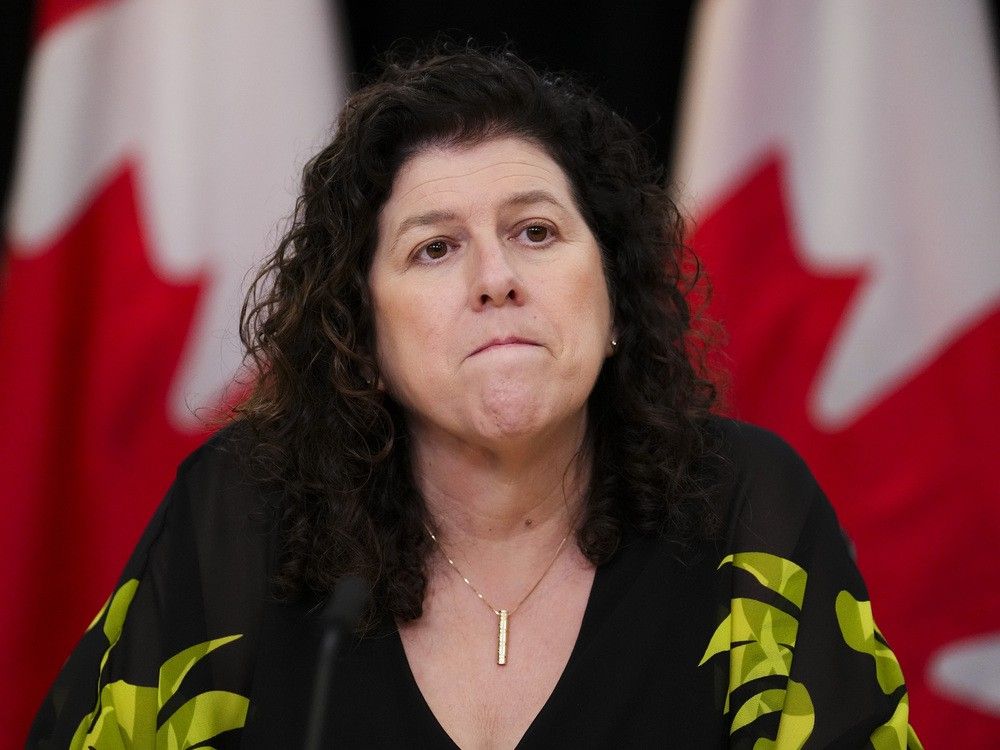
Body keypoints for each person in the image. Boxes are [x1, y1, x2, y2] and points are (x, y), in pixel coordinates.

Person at [29, 46, 922, 749]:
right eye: (435, 248)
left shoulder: (744, 513)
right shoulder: (241, 521)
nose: (496, 279)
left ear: (615, 299)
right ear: (362, 336)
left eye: (536, 231)